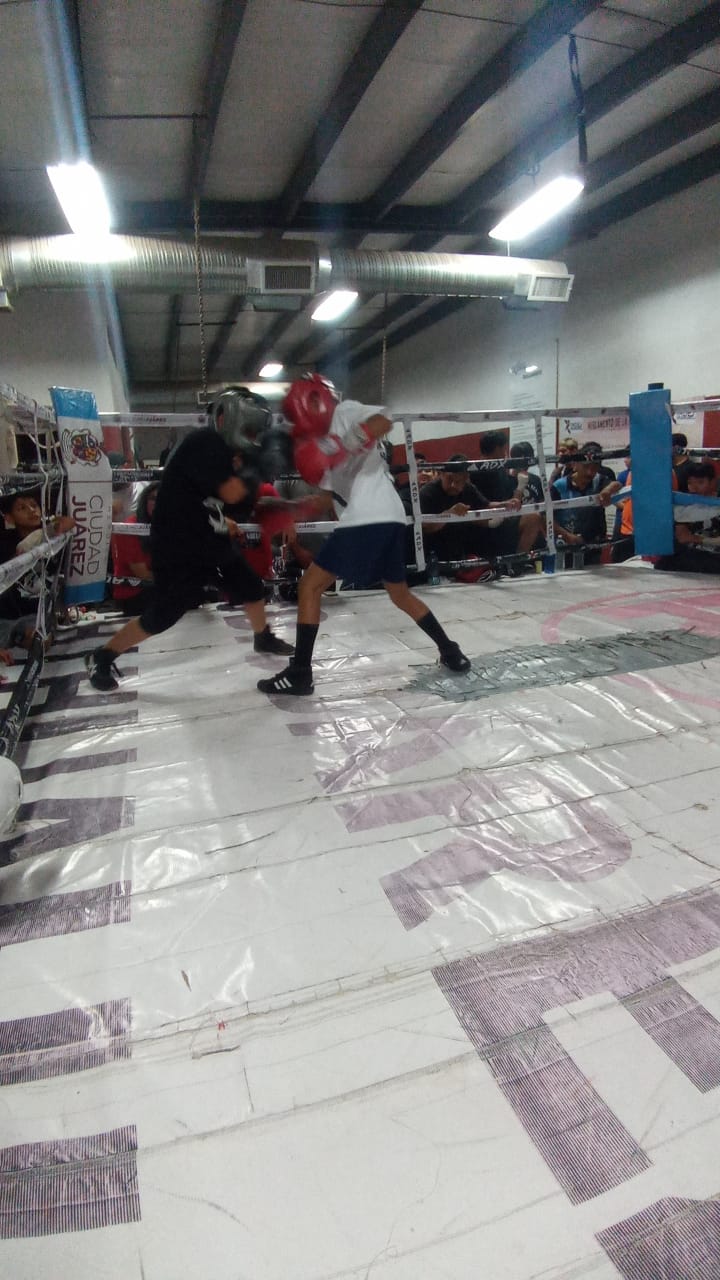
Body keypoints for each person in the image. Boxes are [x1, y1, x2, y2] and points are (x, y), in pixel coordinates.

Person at [257, 376, 471, 697]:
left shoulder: (344, 412)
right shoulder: (316, 444)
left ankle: (300, 673)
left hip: (367, 516)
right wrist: (289, 509)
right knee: (399, 593)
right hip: (389, 517)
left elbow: (385, 419)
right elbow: (326, 499)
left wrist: (342, 444)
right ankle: (450, 651)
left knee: (309, 586)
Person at [85, 428, 294, 692]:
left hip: (208, 539)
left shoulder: (236, 464)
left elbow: (225, 506)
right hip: (177, 545)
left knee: (251, 586)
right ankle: (102, 656)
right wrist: (258, 468)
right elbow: (227, 494)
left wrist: (265, 507)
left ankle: (262, 637)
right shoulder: (206, 444)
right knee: (164, 614)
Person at [551, 452, 620, 562]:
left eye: (594, 468)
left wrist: (608, 490)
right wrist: (566, 535)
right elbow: (546, 517)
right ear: (575, 465)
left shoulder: (598, 480)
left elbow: (617, 484)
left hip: (592, 545)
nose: (590, 472)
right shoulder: (559, 486)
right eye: (586, 467)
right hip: (565, 544)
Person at [656, 463, 720, 574]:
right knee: (664, 563)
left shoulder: (716, 505)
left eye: (700, 482)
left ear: (713, 482)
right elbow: (682, 537)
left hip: (714, 556)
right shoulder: (684, 505)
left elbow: (686, 537)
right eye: (690, 483)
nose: (694, 488)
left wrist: (697, 539)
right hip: (690, 554)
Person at [111, 482, 158, 616]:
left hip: (157, 584)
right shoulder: (131, 527)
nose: (157, 503)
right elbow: (142, 574)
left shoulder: (166, 525)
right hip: (135, 591)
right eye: (153, 498)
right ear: (144, 501)